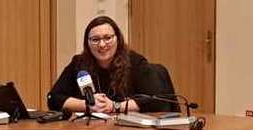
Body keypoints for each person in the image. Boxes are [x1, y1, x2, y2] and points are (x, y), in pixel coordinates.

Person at [47, 16, 175, 114]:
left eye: (108, 38)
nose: (102, 45)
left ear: (118, 39)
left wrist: (114, 106)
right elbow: (54, 98)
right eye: (95, 40)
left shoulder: (135, 62)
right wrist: (87, 105)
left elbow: (155, 101)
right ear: (87, 43)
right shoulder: (79, 63)